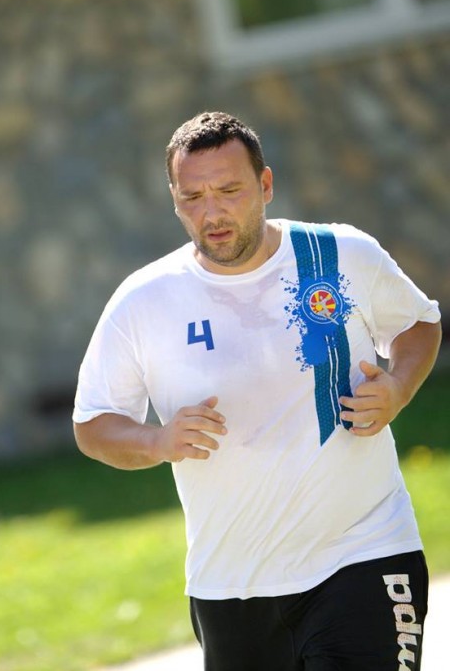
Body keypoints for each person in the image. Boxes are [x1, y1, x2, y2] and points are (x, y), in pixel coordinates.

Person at [73, 111, 442, 670]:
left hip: (364, 554)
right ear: (174, 200)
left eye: (229, 190)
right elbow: (92, 424)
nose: (212, 213)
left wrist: (399, 387)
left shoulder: (340, 255)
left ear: (265, 185)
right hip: (231, 587)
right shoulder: (144, 301)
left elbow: (418, 323)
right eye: (192, 197)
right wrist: (157, 442)